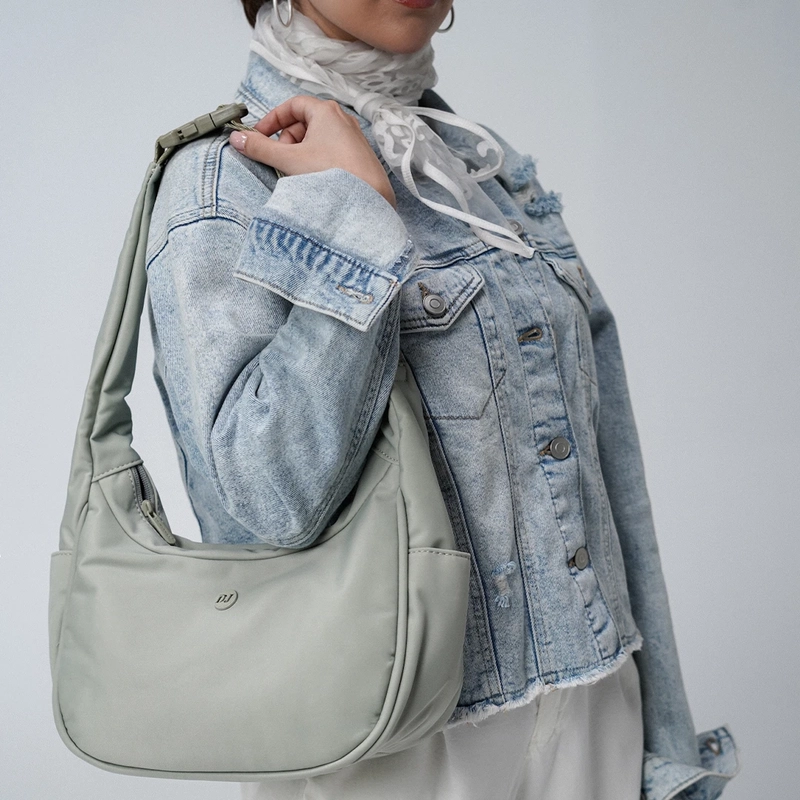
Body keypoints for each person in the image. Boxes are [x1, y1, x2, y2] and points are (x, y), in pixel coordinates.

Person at [144, 1, 740, 798]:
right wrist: (353, 213)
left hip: (599, 709)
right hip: (400, 749)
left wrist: (665, 740)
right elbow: (261, 511)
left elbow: (613, 471)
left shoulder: (482, 171)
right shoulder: (222, 181)